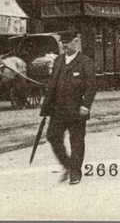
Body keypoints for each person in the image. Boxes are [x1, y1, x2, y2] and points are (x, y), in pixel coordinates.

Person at [39, 31, 96, 185]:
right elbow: (52, 85)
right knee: (52, 136)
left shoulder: (85, 62)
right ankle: (69, 165)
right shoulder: (58, 60)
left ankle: (75, 173)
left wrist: (86, 105)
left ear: (76, 42)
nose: (64, 45)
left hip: (77, 109)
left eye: (68, 42)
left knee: (76, 141)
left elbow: (91, 86)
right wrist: (46, 107)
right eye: (62, 42)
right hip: (58, 109)